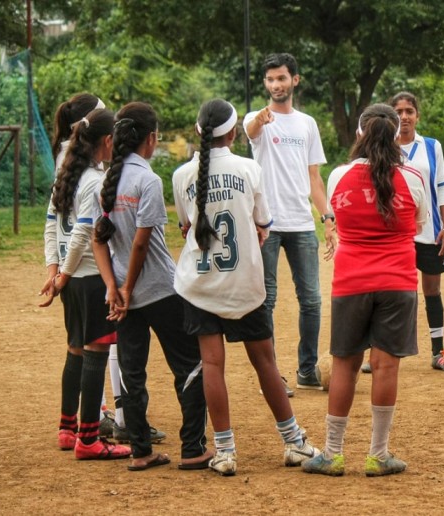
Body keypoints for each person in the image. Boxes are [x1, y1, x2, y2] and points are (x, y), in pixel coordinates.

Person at [172, 99, 319, 476]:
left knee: (212, 366)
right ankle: (294, 442)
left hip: (201, 286)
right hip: (244, 285)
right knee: (265, 363)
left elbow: (187, 226)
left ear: (198, 132)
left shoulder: (181, 175)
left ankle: (224, 451)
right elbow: (263, 222)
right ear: (234, 133)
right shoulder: (250, 168)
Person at [302, 104, 425, 477]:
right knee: (386, 367)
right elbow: (418, 224)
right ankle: (378, 454)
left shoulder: (339, 176)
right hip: (398, 282)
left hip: (351, 281)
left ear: (360, 133)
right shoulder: (414, 177)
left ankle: (333, 453)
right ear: (395, 135)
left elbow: (336, 218)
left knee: (345, 364)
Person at [92, 102, 210, 471]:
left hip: (123, 297)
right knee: (189, 365)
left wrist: (114, 287)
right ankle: (193, 448)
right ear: (151, 139)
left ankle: (141, 451)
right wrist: (126, 286)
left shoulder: (107, 182)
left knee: (132, 371)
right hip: (159, 288)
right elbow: (142, 243)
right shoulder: (148, 181)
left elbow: (98, 240)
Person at [40, 107, 131, 460]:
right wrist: (61, 274)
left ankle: (67, 429)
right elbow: (82, 233)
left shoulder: (67, 174)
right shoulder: (94, 181)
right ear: (107, 142)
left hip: (72, 280)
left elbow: (52, 225)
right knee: (96, 351)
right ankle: (89, 440)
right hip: (89, 276)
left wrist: (55, 271)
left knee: (75, 349)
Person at [243, 53, 335, 393]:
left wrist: (327, 217)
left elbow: (315, 176)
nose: (275, 85)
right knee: (266, 300)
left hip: (301, 223)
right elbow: (250, 132)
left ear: (295, 80)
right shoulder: (258, 119)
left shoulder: (307, 123)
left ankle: (307, 369)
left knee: (311, 299)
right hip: (266, 223)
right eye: (270, 80)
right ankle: (272, 375)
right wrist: (259, 122)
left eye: (281, 78)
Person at [391, 92, 444, 372]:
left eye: (409, 111)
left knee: (432, 290)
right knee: (392, 293)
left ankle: (438, 351)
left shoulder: (431, 146)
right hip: (396, 234)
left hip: (429, 232)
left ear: (417, 115)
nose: (404, 116)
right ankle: (384, 351)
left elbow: (441, 186)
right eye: (398, 111)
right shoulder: (384, 147)